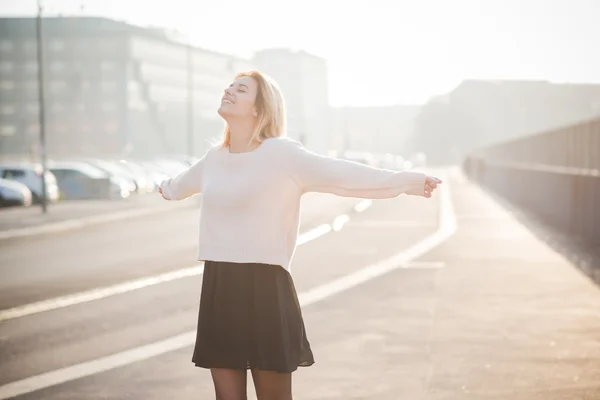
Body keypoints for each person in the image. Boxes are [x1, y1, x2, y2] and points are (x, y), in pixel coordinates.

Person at [158, 70, 442, 400]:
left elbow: (344, 175)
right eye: (229, 86)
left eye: (241, 89)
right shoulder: (213, 160)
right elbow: (178, 186)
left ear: (259, 108)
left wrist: (407, 182)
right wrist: (164, 187)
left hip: (265, 288)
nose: (228, 90)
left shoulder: (282, 154)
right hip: (219, 285)